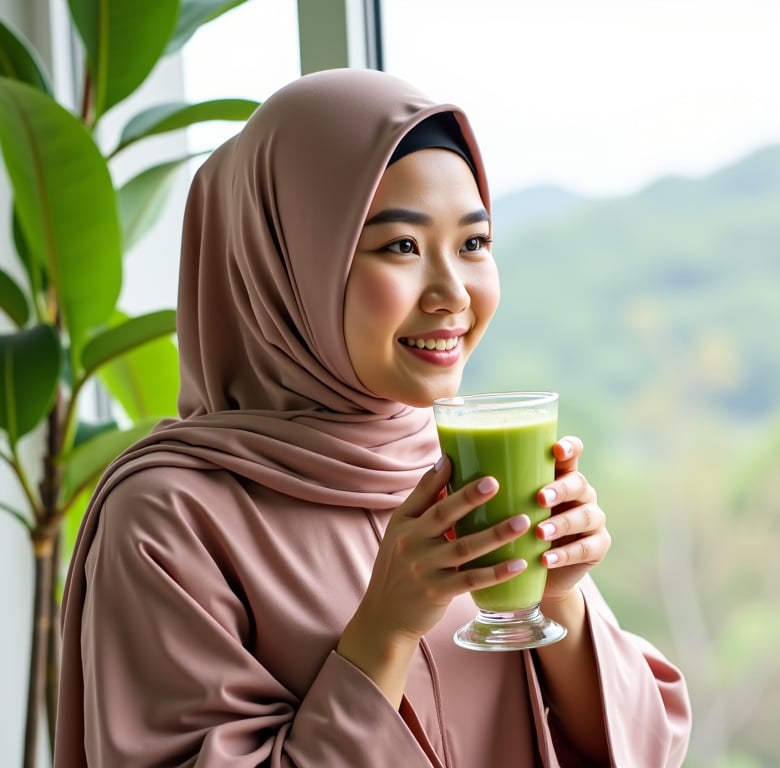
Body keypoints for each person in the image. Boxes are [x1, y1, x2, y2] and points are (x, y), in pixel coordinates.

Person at [54, 68, 691, 767]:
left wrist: (560, 600)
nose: (454, 294)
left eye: (474, 244)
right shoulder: (170, 518)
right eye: (401, 247)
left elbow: (651, 747)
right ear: (285, 268)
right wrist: (383, 633)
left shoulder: (454, 464)